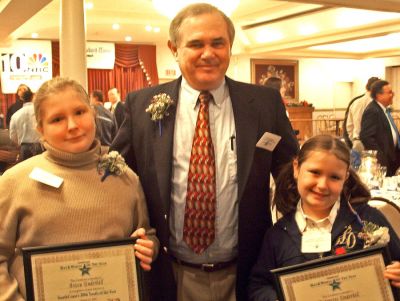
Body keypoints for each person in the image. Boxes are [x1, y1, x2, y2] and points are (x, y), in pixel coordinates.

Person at [111, 3, 299, 301]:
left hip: (246, 275)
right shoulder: (140, 106)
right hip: (168, 275)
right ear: (174, 48)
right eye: (196, 44)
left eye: (217, 43)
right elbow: (117, 179)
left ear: (230, 46)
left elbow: (294, 175)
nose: (208, 53)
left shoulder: (265, 104)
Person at [0, 77, 159, 300]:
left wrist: (149, 247)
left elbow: (147, 233)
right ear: (40, 129)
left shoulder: (124, 177)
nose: (73, 126)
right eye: (57, 119)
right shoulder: (15, 182)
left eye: (79, 112)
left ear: (93, 114)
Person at [248, 135, 400, 300]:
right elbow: (258, 285)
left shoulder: (368, 220)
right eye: (315, 172)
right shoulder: (278, 235)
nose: (322, 185)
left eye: (334, 177)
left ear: (346, 177)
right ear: (296, 168)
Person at [360, 80, 400, 176]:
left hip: (392, 158)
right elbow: (366, 136)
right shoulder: (373, 111)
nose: (392, 95)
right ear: (379, 95)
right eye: (389, 92)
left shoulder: (383, 110)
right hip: (383, 161)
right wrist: (380, 156)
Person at [343, 76, 380, 149]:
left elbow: (349, 126)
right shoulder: (374, 103)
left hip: (358, 141)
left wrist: (354, 140)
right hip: (369, 142)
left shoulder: (356, 102)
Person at [9, 87, 43, 161]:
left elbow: (12, 136)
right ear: (33, 97)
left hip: (24, 148)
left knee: (25, 170)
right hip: (40, 146)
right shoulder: (40, 113)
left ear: (22, 99)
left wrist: (20, 143)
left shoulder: (15, 115)